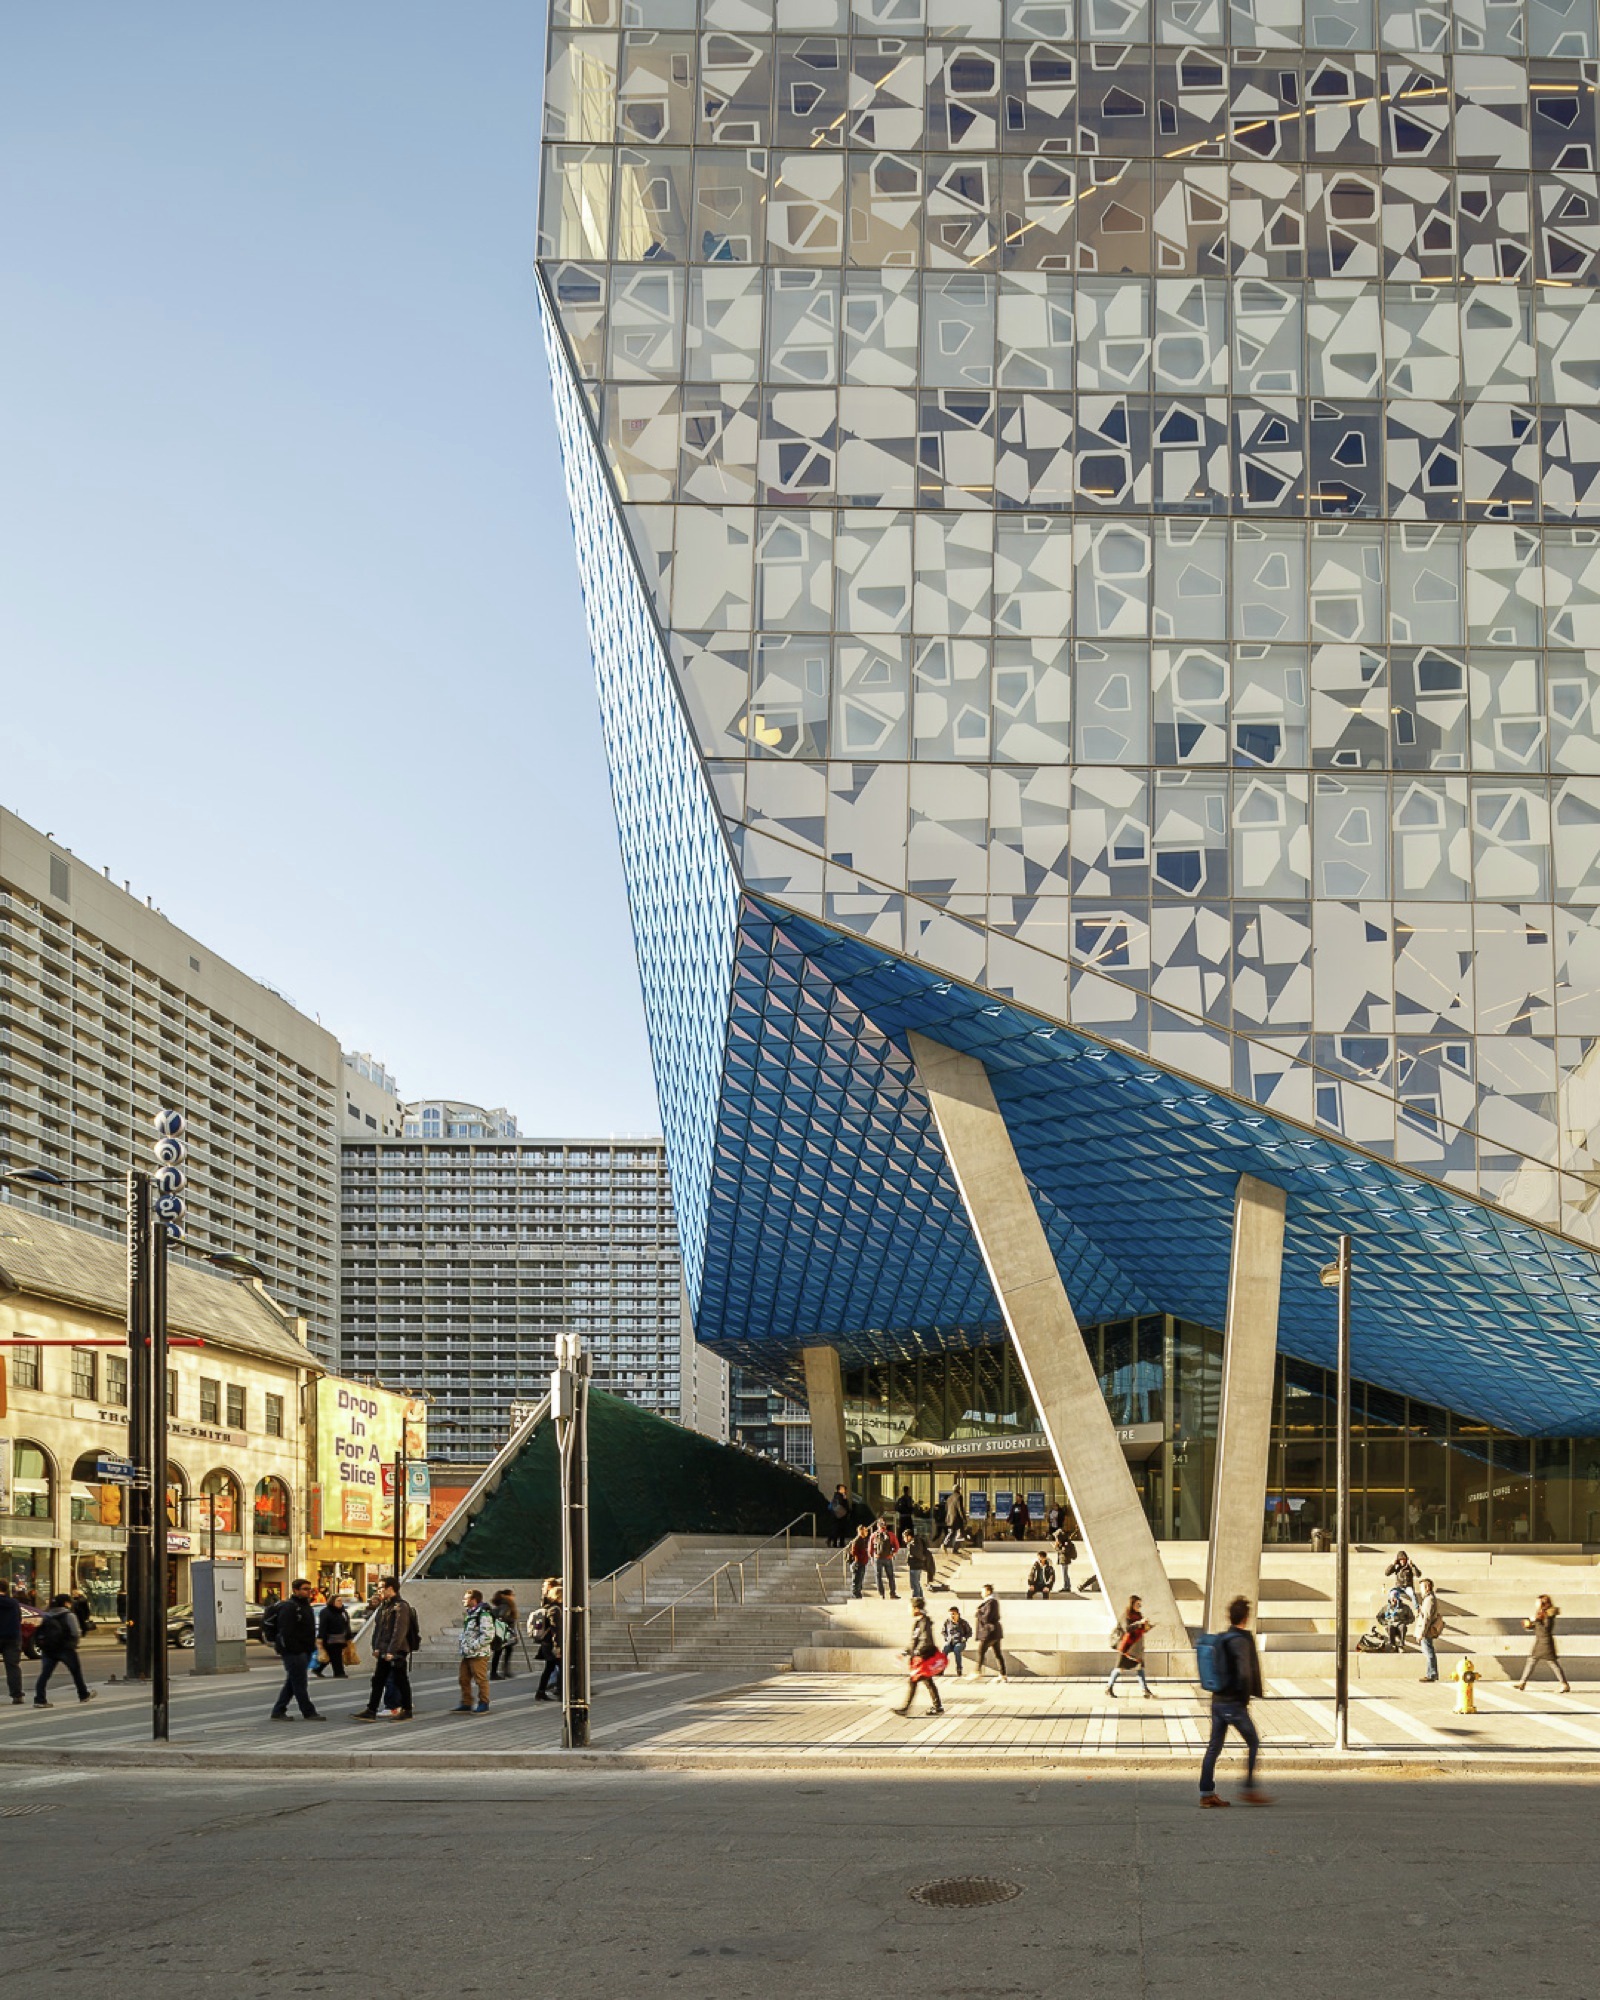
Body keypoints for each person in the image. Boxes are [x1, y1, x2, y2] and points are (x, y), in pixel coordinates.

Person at [1199, 1595, 1269, 1807]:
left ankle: (1206, 1794)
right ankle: (1248, 1789)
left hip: (1217, 1700)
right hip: (1233, 1704)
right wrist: (1244, 1697)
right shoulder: (1240, 1640)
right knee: (1253, 1742)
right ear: (1246, 1617)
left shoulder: (1223, 1638)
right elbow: (1244, 1673)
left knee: (1214, 1747)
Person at [354, 1577, 418, 1721]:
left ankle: (407, 1710)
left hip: (397, 1651)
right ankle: (371, 1710)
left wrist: (392, 1651)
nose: (379, 1590)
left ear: (390, 1589)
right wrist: (376, 1647)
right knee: (378, 1680)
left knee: (401, 1680)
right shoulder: (384, 1606)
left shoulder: (401, 1606)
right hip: (383, 1650)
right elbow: (379, 1629)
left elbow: (399, 1631)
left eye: (382, 1587)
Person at [265, 1577, 324, 1722]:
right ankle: (308, 1712)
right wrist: (293, 1648)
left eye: (309, 1589)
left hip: (305, 1649)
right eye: (304, 1589)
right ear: (295, 1590)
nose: (308, 1592)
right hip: (294, 1651)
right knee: (299, 1683)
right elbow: (286, 1632)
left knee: (293, 1682)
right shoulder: (290, 1607)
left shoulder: (306, 1606)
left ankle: (278, 1711)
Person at [32, 1595, 96, 1708]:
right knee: (76, 1672)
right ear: (66, 1603)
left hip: (49, 1649)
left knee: (45, 1674)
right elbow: (76, 1632)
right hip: (66, 1648)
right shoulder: (69, 1615)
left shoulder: (47, 1616)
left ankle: (39, 1699)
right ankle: (83, 1694)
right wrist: (74, 1642)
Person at [892, 1598, 945, 1717]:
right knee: (928, 1682)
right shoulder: (919, 1622)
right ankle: (938, 1707)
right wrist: (905, 1652)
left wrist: (916, 1652)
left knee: (913, 1681)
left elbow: (926, 1640)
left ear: (916, 1609)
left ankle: (905, 1708)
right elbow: (914, 1641)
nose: (909, 1610)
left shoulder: (924, 1623)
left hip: (922, 1658)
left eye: (910, 1608)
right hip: (920, 1657)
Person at [1516, 1594, 1570, 1693]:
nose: (1536, 1603)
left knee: (1552, 1663)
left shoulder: (1549, 1615)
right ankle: (1522, 1683)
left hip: (1546, 1642)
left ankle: (1564, 1684)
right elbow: (1537, 1627)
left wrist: (1535, 1620)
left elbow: (1545, 1629)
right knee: (1531, 1661)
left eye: (1538, 1602)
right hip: (1540, 1641)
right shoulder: (1541, 1613)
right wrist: (1528, 1625)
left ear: (1543, 1603)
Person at [455, 1589, 495, 1713]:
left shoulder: (483, 1615)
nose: (463, 1601)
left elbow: (488, 1635)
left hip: (478, 1654)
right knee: (463, 1678)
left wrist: (473, 1646)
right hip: (467, 1653)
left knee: (480, 1679)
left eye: (466, 1598)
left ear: (474, 1600)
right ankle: (466, 1702)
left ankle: (484, 1702)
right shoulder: (471, 1614)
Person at [1107, 1594, 1154, 1698]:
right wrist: (1139, 1623)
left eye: (1140, 1605)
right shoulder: (1126, 1616)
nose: (1139, 1607)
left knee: (1139, 1668)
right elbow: (1127, 1629)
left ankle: (1144, 1690)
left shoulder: (1139, 1615)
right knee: (1119, 1668)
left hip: (1136, 1649)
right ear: (1132, 1604)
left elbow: (1140, 1630)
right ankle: (1109, 1687)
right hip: (1127, 1648)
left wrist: (1147, 1626)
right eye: (1138, 1604)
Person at [531, 1580, 563, 1702]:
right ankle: (560, 1692)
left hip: (547, 1644)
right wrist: (558, 1646)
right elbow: (555, 1629)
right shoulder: (555, 1609)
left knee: (549, 1668)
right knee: (561, 1667)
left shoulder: (549, 1607)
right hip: (550, 1644)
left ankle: (541, 1692)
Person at [312, 1594, 352, 1679]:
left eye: (341, 1600)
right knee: (336, 1656)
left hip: (341, 1637)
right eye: (338, 1600)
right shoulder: (326, 1612)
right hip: (329, 1637)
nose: (340, 1602)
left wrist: (348, 1636)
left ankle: (318, 1669)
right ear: (332, 1601)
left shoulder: (343, 1611)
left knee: (331, 1656)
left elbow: (346, 1624)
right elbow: (323, 1626)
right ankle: (339, 1672)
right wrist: (320, 1638)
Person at [974, 1583, 1006, 1680]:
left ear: (988, 1591)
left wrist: (978, 1613)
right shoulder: (990, 1602)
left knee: (981, 1651)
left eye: (983, 1591)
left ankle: (977, 1671)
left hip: (989, 1633)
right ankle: (1003, 1674)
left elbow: (987, 1617)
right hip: (993, 1632)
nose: (981, 1593)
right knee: (997, 1653)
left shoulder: (991, 1602)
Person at [0, 1582, 24, 1705]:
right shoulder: (13, 1603)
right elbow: (19, 1619)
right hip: (12, 1638)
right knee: (13, 1667)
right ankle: (17, 1695)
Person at [1415, 1577, 1442, 1684]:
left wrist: (1422, 1633)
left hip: (1426, 1631)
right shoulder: (1428, 1599)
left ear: (1427, 1587)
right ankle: (1430, 1673)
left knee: (1429, 1652)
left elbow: (1427, 1618)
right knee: (1428, 1652)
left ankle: (1432, 1674)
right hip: (1425, 1630)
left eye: (1421, 1587)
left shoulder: (1429, 1599)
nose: (1420, 1590)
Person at [489, 1589, 519, 1681]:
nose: (513, 1597)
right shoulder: (506, 1605)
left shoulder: (500, 1605)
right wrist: (511, 1620)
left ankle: (501, 1671)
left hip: (501, 1632)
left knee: (501, 1651)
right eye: (511, 1595)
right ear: (507, 1596)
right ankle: (496, 1672)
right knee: (500, 1652)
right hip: (504, 1633)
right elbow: (502, 1617)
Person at [870, 1518, 900, 1600]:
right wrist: (892, 1554)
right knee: (890, 1576)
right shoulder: (891, 1534)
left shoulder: (874, 1535)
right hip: (888, 1558)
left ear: (877, 1525)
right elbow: (897, 1546)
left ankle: (881, 1594)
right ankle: (892, 1593)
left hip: (877, 1558)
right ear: (886, 1525)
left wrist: (872, 1558)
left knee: (878, 1577)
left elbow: (870, 1549)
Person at [905, 1529, 938, 1602]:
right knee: (916, 1583)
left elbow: (918, 1554)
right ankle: (920, 1598)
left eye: (905, 1537)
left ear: (909, 1536)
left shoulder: (913, 1543)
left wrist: (910, 1557)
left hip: (915, 1566)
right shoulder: (916, 1542)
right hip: (916, 1565)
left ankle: (916, 1598)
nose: (904, 1539)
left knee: (914, 1584)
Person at [1385, 1550, 1420, 1617]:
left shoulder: (1409, 1567)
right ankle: (1392, 1607)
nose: (1402, 1561)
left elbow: (1418, 1574)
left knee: (1412, 1594)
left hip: (1408, 1587)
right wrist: (1392, 1564)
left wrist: (1413, 1566)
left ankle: (1417, 1609)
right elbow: (1387, 1573)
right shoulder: (1396, 1567)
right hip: (1399, 1587)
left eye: (1404, 1559)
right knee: (1392, 1593)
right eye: (1401, 1560)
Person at [942, 1602, 972, 1677]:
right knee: (944, 1650)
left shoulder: (963, 1623)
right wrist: (946, 1638)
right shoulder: (947, 1622)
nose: (952, 1616)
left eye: (954, 1614)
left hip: (960, 1642)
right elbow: (943, 1632)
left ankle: (959, 1669)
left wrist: (965, 1638)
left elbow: (970, 1632)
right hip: (950, 1642)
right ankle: (941, 1669)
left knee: (957, 1649)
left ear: (958, 1614)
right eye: (950, 1614)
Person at [846, 1524, 871, 1600]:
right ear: (861, 1531)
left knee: (860, 1579)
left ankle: (858, 1593)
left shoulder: (863, 1540)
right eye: (865, 1530)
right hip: (858, 1562)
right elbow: (854, 1552)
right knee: (856, 1579)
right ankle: (855, 1594)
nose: (867, 1532)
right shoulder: (857, 1540)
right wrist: (859, 1558)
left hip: (862, 1562)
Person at [942, 1483, 967, 1551]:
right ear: (958, 1489)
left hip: (949, 1519)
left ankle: (945, 1544)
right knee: (960, 1534)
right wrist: (964, 1518)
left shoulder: (949, 1498)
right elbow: (960, 1509)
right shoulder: (959, 1496)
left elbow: (946, 1509)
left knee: (951, 1532)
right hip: (957, 1519)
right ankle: (955, 1549)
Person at [1054, 1524, 1077, 1593]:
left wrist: (1057, 1548)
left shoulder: (1065, 1543)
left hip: (1065, 1560)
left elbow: (1064, 1551)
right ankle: (1066, 1585)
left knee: (1065, 1573)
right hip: (1064, 1560)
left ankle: (1067, 1586)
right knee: (1065, 1573)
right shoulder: (1064, 1542)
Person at [827, 1484, 852, 1549]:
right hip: (839, 1516)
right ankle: (836, 1542)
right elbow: (842, 1505)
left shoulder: (839, 1496)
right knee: (839, 1529)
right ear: (839, 1489)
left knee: (838, 1529)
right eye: (843, 1489)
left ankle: (836, 1542)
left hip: (838, 1516)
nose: (845, 1490)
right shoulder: (839, 1496)